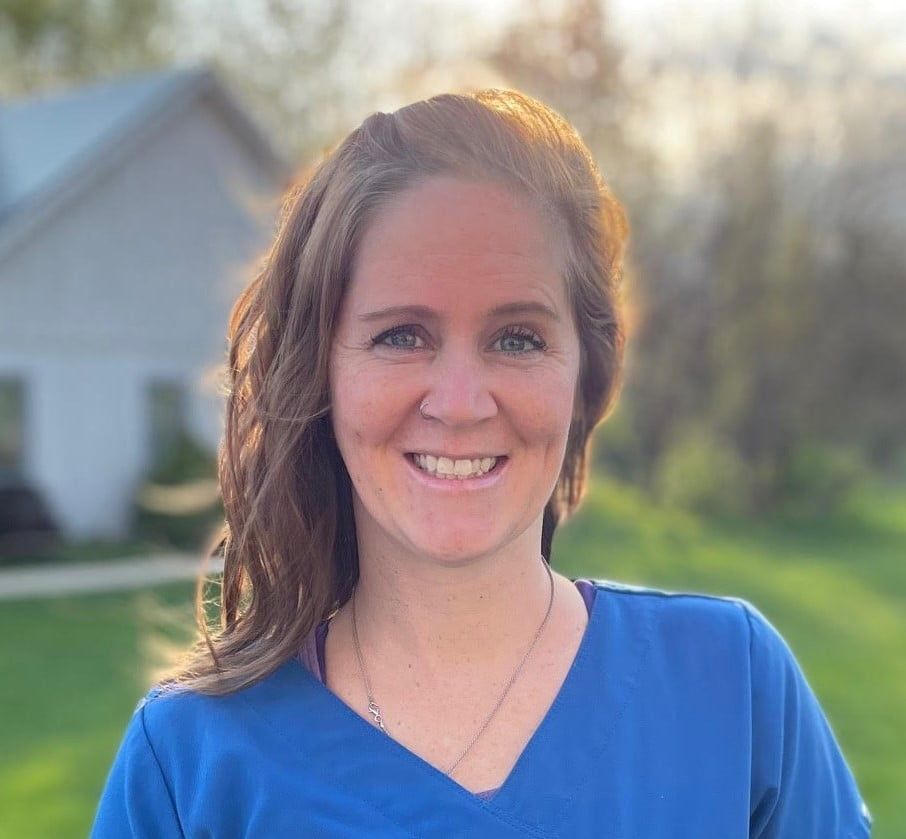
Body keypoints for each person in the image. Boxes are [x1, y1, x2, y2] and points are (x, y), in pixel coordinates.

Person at [91, 88, 872, 838]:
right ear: (319, 372)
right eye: (401, 334)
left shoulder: (731, 691)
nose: (460, 403)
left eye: (517, 337)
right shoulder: (189, 763)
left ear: (585, 375)